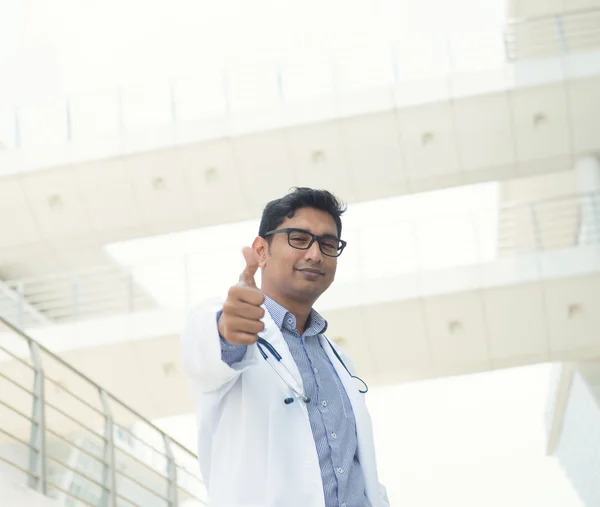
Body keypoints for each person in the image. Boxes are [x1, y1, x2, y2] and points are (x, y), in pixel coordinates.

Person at [181, 187, 389, 507]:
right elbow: (209, 347)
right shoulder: (232, 327)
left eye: (328, 244)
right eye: (299, 238)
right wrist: (228, 328)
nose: (315, 254)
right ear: (261, 251)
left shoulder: (340, 362)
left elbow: (356, 469)